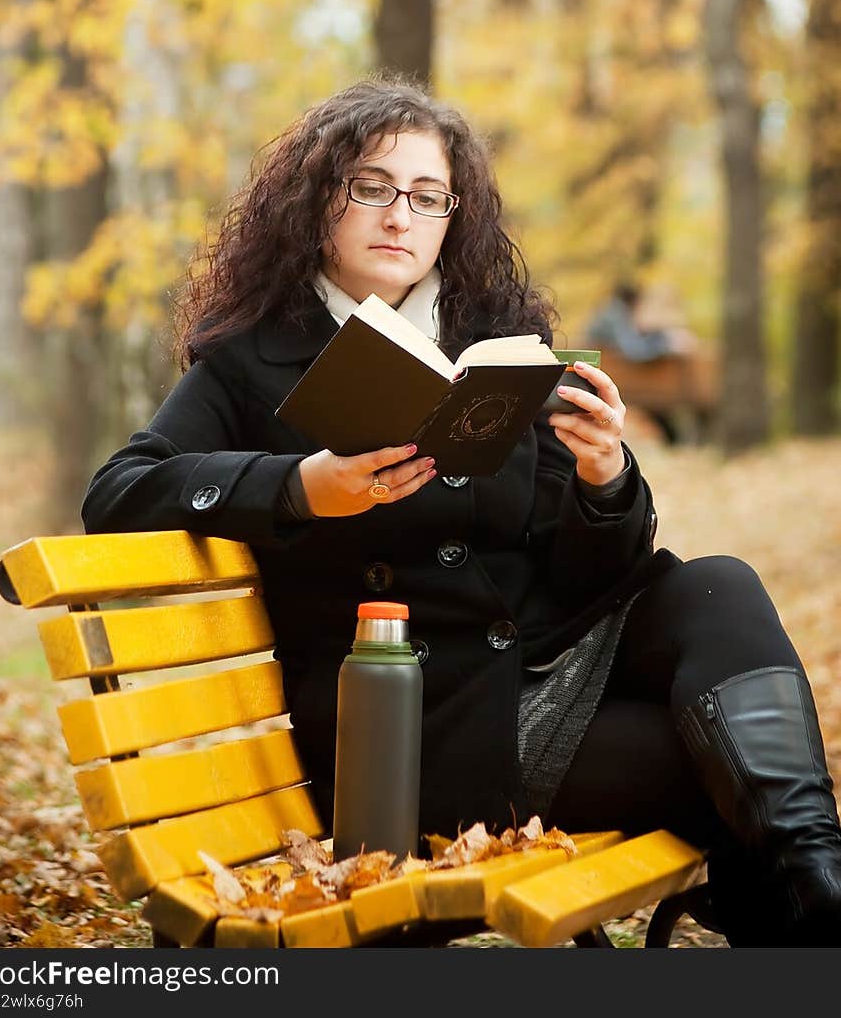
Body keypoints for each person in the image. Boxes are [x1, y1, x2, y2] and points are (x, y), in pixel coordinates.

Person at [81, 74, 840, 947]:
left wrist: (605, 479)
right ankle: (806, 916)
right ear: (316, 203)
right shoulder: (252, 360)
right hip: (414, 734)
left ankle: (816, 896)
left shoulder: (495, 343)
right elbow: (119, 491)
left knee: (720, 587)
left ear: (454, 216)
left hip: (545, 670)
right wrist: (300, 488)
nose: (399, 215)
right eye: (370, 187)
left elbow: (592, 573)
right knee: (721, 768)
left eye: (427, 196)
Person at [584, 281, 696, 363]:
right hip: (614, 375)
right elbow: (634, 351)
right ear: (635, 301)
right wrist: (667, 343)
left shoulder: (611, 311)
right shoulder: (614, 315)